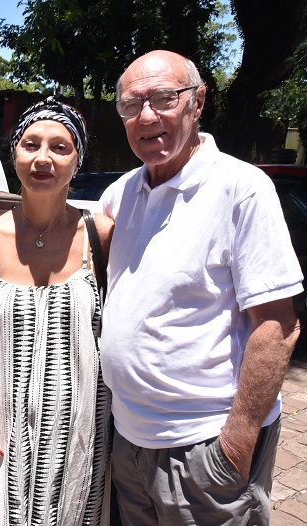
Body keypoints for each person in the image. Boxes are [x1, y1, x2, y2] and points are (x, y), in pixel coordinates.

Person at [99, 50, 303, 525]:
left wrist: (235, 443)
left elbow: (277, 324)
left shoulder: (241, 188)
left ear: (197, 101)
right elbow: (57, 234)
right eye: (132, 106)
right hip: (129, 441)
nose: (147, 116)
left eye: (164, 98)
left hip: (204, 448)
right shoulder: (121, 193)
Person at [0, 97, 114, 526]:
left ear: (78, 163)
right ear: (13, 152)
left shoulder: (102, 236)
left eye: (60, 147)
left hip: (77, 440)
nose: (43, 158)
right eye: (31, 144)